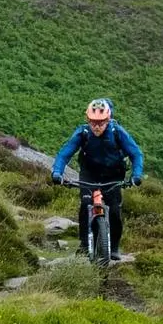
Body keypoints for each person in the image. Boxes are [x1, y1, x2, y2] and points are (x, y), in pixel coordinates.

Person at [49, 98, 145, 260]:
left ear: (108, 120)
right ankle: (84, 245)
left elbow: (136, 154)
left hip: (113, 175)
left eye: (101, 122)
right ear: (88, 120)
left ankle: (113, 247)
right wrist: (57, 173)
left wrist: (136, 176)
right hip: (89, 173)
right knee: (86, 205)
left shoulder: (117, 132)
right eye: (93, 122)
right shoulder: (83, 133)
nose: (97, 127)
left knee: (114, 212)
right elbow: (65, 153)